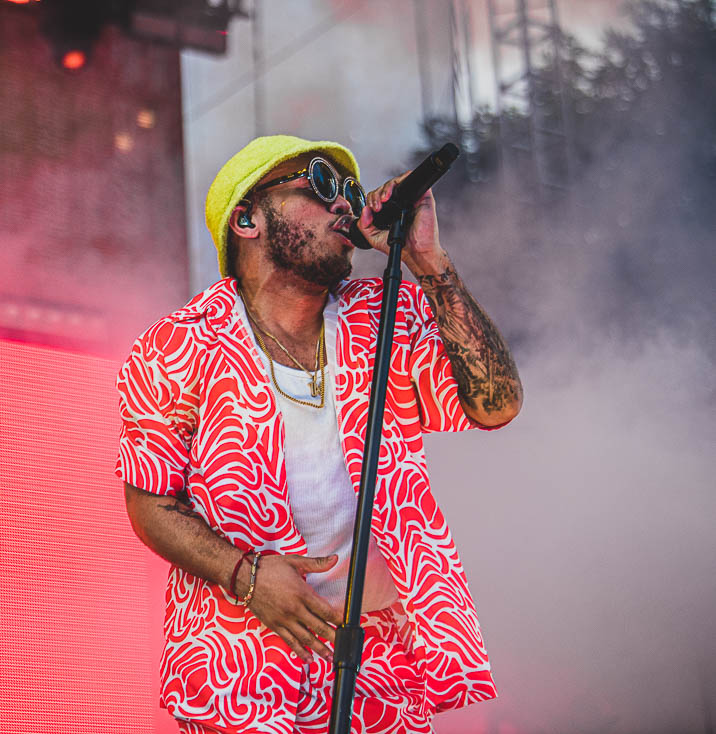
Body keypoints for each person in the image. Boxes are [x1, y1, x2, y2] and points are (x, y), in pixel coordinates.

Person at [115, 135, 523, 734]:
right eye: (321, 184)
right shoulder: (178, 346)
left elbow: (496, 405)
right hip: (241, 659)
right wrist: (246, 575)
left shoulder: (386, 313)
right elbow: (149, 502)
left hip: (380, 663)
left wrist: (428, 259)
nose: (344, 205)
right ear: (248, 219)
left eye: (350, 191)